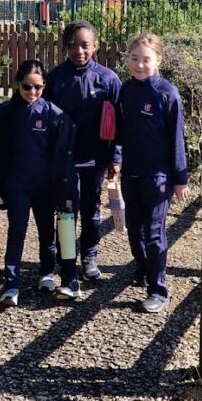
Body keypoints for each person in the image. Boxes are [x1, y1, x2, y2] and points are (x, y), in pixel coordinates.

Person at [0, 59, 77, 308]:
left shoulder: (54, 115)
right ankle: (12, 283)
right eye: (27, 87)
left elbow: (62, 156)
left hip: (44, 186)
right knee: (17, 231)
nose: (32, 93)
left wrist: (62, 189)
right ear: (16, 85)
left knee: (47, 232)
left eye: (38, 87)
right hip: (17, 185)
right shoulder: (4, 113)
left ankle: (47, 273)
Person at [44, 20, 121, 298]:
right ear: (65, 47)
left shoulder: (109, 80)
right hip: (64, 159)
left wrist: (116, 157)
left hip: (96, 158)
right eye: (73, 45)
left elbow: (119, 124)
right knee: (66, 212)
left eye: (85, 45)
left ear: (95, 46)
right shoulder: (55, 79)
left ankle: (89, 257)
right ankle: (66, 263)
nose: (79, 51)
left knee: (91, 210)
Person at [117, 32, 189, 314]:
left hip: (159, 176)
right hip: (131, 173)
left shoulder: (167, 93)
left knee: (154, 232)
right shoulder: (126, 91)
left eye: (146, 60)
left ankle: (158, 289)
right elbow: (120, 132)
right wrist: (115, 160)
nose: (139, 65)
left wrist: (180, 178)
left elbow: (176, 138)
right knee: (133, 228)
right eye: (134, 59)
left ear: (159, 60)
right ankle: (143, 268)